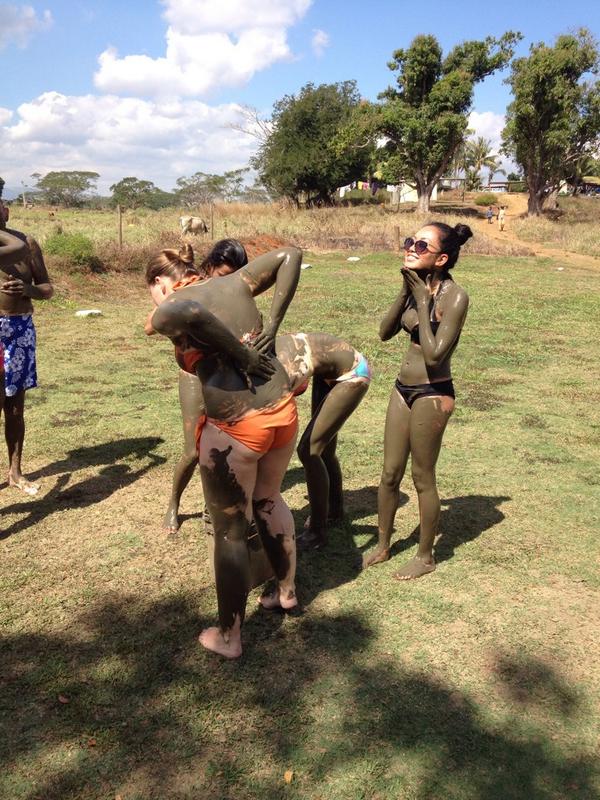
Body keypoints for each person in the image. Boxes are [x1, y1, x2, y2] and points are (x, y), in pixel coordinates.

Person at [148, 244, 302, 658]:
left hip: (238, 428)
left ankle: (230, 636)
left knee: (230, 530)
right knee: (269, 498)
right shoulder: (235, 281)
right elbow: (290, 255)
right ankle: (286, 591)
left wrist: (243, 355)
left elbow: (189, 313)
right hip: (281, 411)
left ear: (159, 283)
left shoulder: (169, 307)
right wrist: (273, 323)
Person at [363, 222, 471, 579]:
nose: (411, 247)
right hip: (402, 390)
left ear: (441, 259)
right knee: (389, 472)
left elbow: (435, 354)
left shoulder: (456, 297)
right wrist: (405, 291)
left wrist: (423, 303)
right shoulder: (414, 289)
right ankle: (382, 545)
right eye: (410, 241)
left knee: (422, 476)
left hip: (433, 393)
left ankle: (425, 557)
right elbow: (384, 332)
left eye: (421, 245)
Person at [145, 239, 249, 534]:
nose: (228, 280)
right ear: (210, 267)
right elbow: (150, 326)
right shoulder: (191, 288)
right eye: (224, 274)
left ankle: (211, 504)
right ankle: (173, 504)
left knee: (225, 445)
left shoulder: (230, 290)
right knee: (193, 450)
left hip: (226, 374)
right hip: (193, 376)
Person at [276, 333, 371, 549]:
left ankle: (317, 532)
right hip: (326, 372)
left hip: (353, 374)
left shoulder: (285, 369)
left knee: (309, 450)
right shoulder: (268, 360)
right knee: (324, 450)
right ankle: (335, 511)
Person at [0, 200, 54, 495]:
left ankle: (15, 472)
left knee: (15, 407)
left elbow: (47, 288)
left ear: (6, 210)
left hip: (20, 330)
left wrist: (28, 289)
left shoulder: (27, 243)